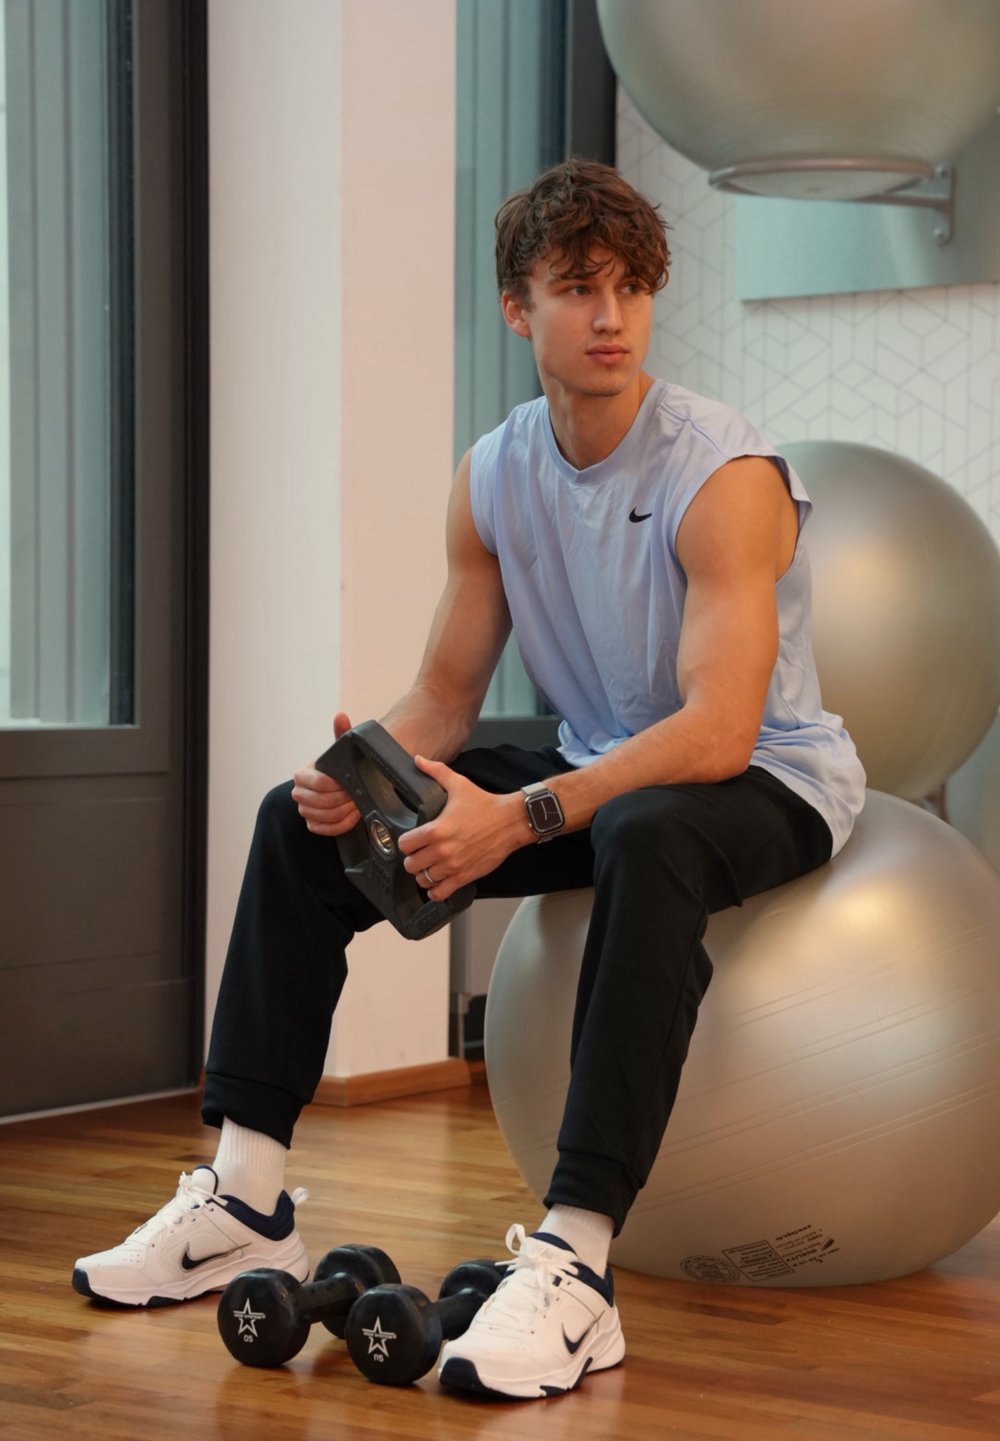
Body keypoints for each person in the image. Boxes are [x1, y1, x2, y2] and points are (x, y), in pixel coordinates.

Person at [72, 160, 865, 1400]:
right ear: (517, 308)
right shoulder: (494, 473)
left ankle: (578, 1264)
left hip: (765, 773)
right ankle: (244, 1193)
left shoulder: (723, 475)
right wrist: (358, 777)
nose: (610, 317)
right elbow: (443, 699)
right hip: (593, 752)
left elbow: (716, 731)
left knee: (648, 833)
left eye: (630, 290)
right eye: (576, 288)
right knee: (297, 825)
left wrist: (524, 816)